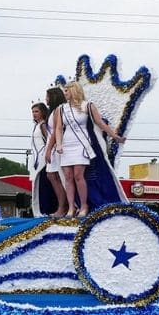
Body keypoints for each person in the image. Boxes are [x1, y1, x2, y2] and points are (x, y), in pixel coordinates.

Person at [54, 81, 127, 217]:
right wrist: (58, 144)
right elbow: (58, 128)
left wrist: (115, 136)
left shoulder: (88, 105)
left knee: (78, 176)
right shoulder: (61, 109)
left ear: (74, 90)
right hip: (67, 144)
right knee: (68, 177)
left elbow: (100, 123)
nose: (64, 93)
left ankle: (84, 205)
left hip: (82, 143)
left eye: (66, 90)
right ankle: (71, 207)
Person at [33, 87, 68, 217]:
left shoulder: (58, 111)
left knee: (58, 176)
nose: (46, 99)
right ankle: (62, 206)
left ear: (53, 97)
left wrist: (48, 149)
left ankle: (63, 207)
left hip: (55, 148)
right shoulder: (53, 112)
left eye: (47, 96)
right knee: (52, 176)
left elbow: (53, 133)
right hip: (51, 147)